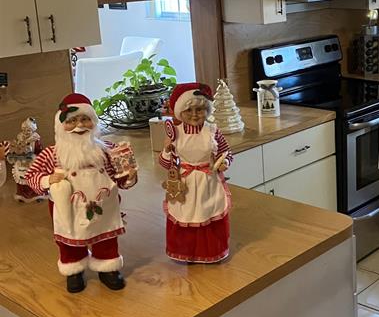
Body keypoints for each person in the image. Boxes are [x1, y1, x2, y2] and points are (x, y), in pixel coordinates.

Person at [26, 93, 137, 293]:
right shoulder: (52, 154)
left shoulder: (107, 150)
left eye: (85, 119)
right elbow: (31, 175)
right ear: (61, 126)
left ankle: (107, 267)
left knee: (106, 238)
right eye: (72, 121)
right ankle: (74, 270)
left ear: (93, 122)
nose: (79, 125)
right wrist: (46, 180)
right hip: (69, 208)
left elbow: (119, 177)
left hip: (103, 206)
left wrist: (129, 176)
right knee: (70, 239)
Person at [159, 83, 233, 263]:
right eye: (189, 110)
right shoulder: (175, 133)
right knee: (186, 213)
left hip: (208, 180)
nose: (194, 114)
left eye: (199, 109)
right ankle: (187, 252)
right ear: (179, 111)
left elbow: (226, 152)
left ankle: (210, 251)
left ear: (207, 110)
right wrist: (167, 150)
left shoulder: (212, 131)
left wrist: (224, 162)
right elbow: (164, 163)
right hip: (185, 182)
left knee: (208, 212)